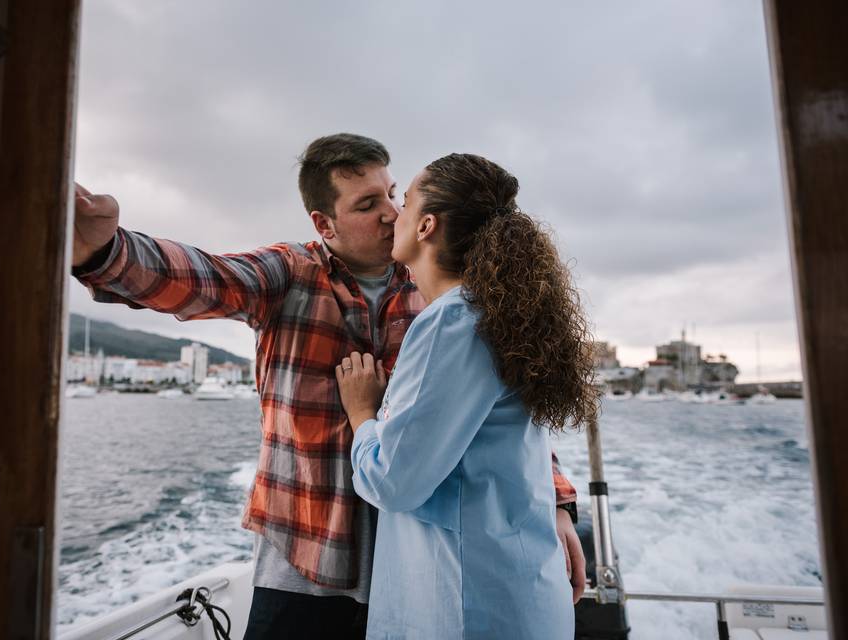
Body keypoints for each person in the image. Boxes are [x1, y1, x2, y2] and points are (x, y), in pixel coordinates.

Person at [71, 134, 585, 639]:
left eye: (391, 193)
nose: (388, 211)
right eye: (367, 203)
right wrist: (107, 251)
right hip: (305, 563)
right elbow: (205, 276)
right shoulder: (290, 272)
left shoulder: (440, 293)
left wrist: (557, 502)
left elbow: (495, 411)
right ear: (324, 224)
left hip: (413, 568)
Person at [335, 153, 598, 639]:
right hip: (513, 597)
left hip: (467, 609)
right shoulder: (498, 315)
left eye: (405, 201)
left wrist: (363, 414)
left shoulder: (451, 323)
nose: (394, 214)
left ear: (427, 225)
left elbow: (393, 482)